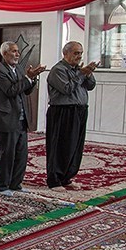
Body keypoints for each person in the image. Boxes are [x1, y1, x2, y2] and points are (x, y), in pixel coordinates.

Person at [0, 41, 46, 196]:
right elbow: (10, 90)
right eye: (13, 51)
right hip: (8, 118)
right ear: (4, 53)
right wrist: (27, 78)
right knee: (7, 154)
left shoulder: (18, 69)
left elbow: (26, 91)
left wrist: (32, 79)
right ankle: (2, 186)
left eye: (18, 52)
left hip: (21, 118)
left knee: (21, 154)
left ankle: (16, 184)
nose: (17, 54)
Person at [45, 41, 97, 192]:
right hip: (63, 112)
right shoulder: (58, 70)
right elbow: (67, 88)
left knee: (74, 146)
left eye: (80, 53)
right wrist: (81, 73)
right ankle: (54, 180)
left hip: (79, 111)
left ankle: (66, 177)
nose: (79, 56)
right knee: (60, 146)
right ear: (65, 53)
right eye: (75, 53)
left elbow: (91, 86)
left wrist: (87, 72)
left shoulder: (79, 70)